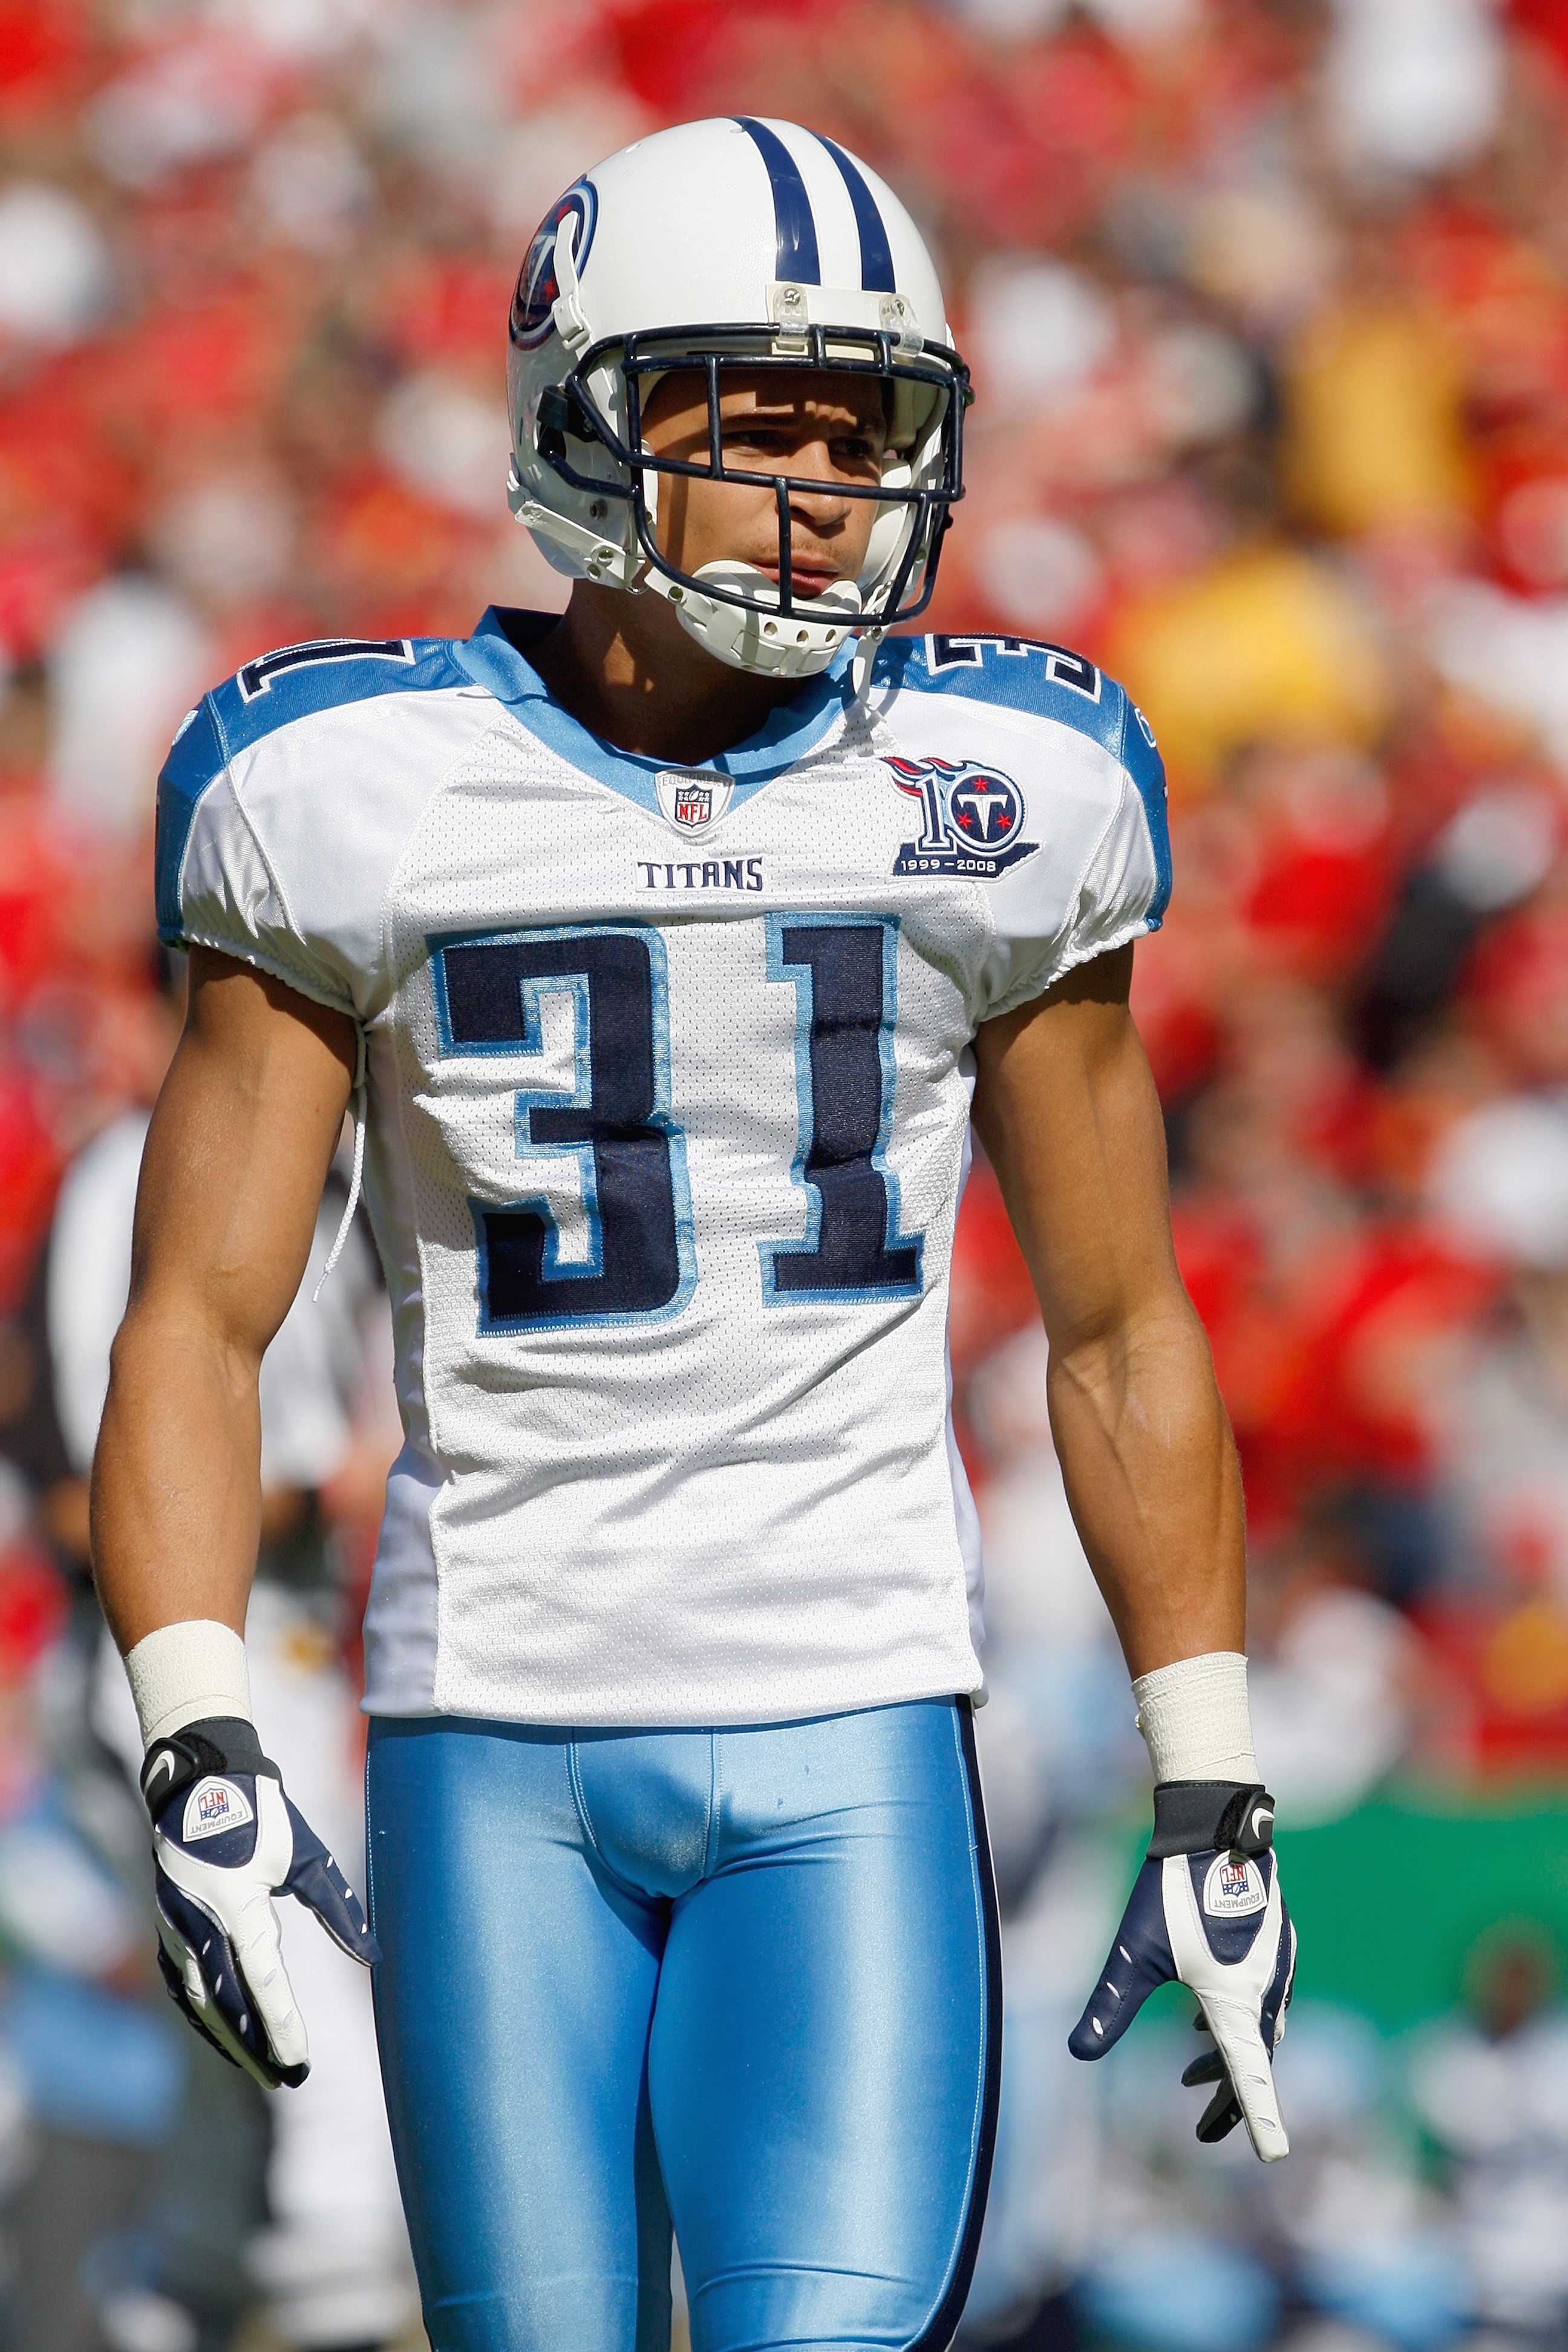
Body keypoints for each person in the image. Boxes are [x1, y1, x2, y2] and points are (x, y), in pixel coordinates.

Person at [90, 117, 1295, 2352]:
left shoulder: (998, 788)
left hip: (851, 1701)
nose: (830, 484)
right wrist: (195, 1726)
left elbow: (1122, 1324)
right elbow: (198, 1311)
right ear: (585, 417)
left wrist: (1207, 1763)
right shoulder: (347, 786)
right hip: (487, 1719)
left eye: (872, 428)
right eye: (763, 420)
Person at [45, 955, 418, 2351]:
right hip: (197, 1658)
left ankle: (171, 2303)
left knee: (235, 2105)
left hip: (292, 1647)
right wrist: (331, 1483)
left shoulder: (317, 1184)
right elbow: (116, 1461)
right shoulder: (127, 1173)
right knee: (318, 2092)